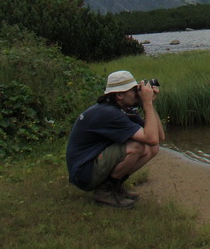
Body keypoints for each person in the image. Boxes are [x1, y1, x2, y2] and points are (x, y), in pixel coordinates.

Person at [66, 70, 165, 208]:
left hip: (90, 165)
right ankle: (104, 192)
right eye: (133, 90)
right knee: (137, 146)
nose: (137, 93)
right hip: (83, 174)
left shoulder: (123, 109)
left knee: (152, 148)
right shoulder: (109, 113)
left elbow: (158, 137)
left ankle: (115, 188)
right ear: (119, 95)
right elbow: (151, 138)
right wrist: (146, 103)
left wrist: (149, 104)